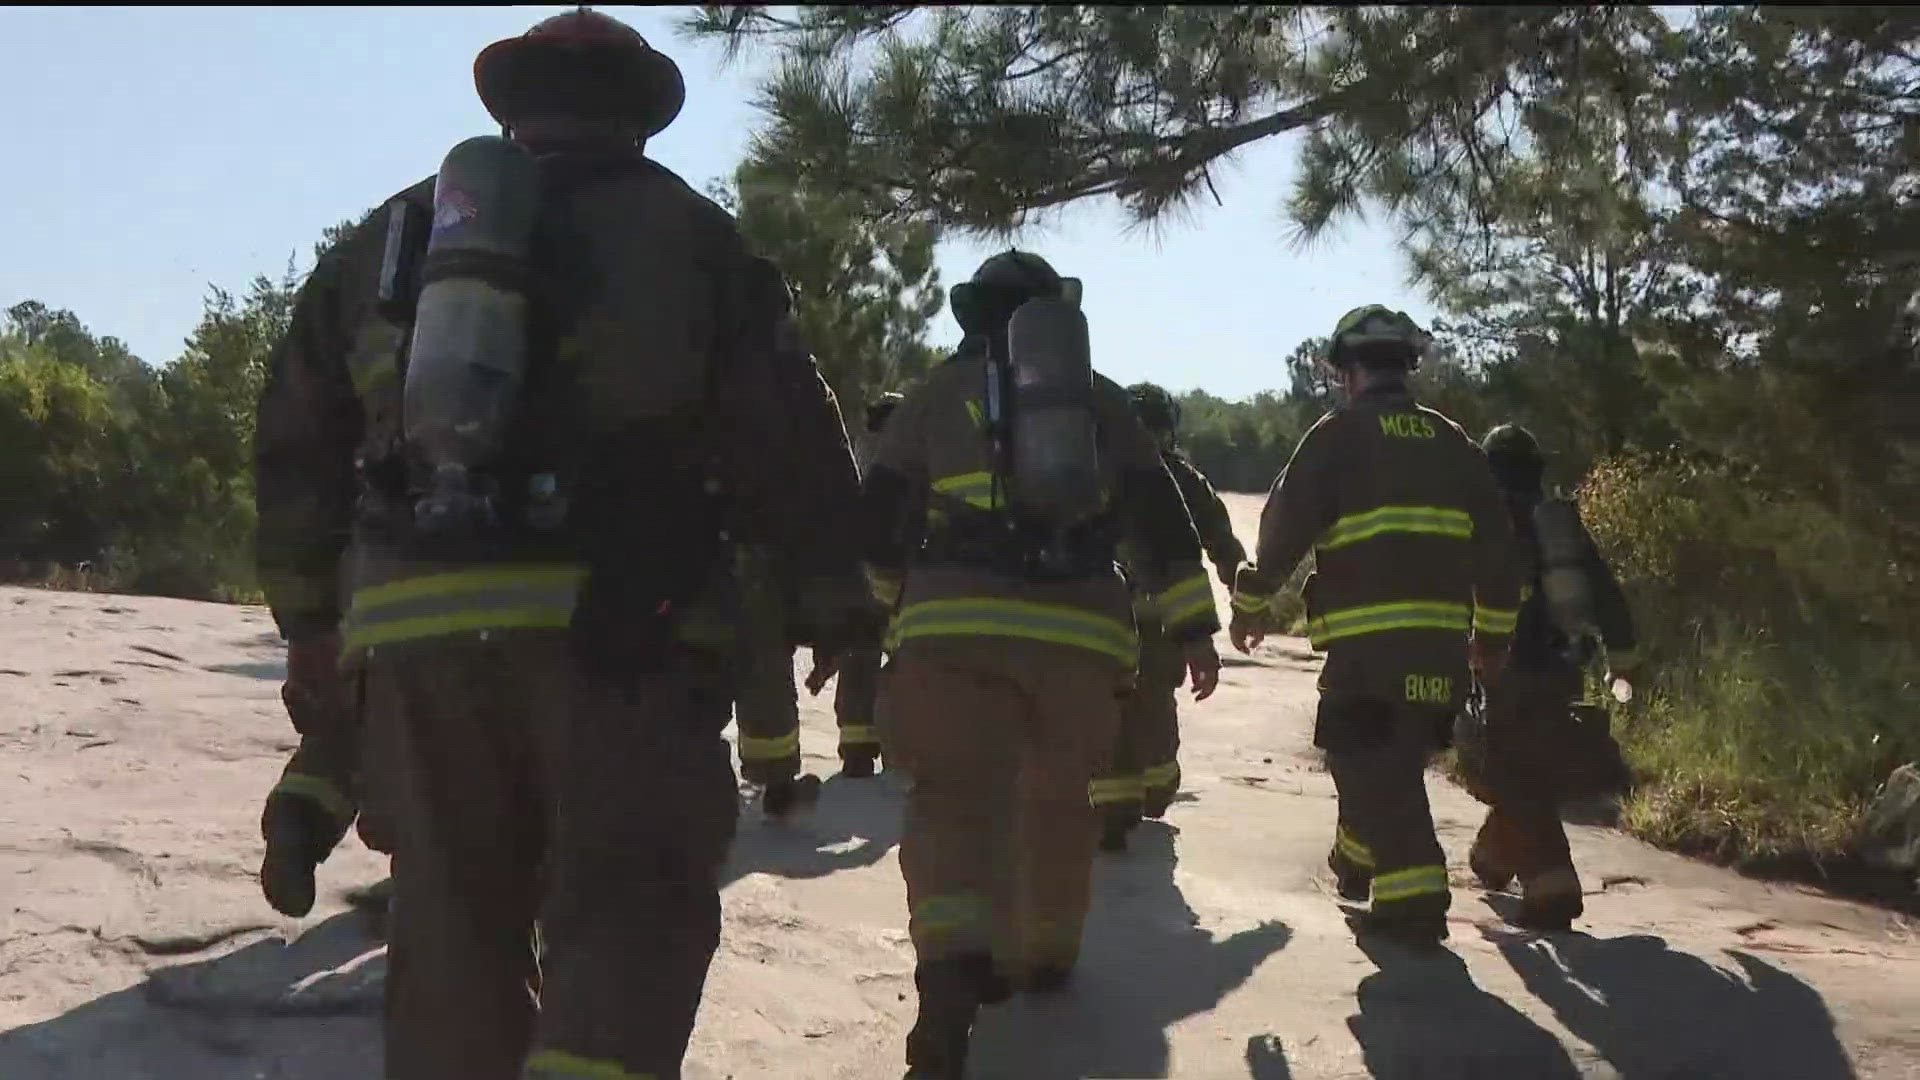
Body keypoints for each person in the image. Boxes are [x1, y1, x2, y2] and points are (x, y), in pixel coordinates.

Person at [251, 9, 870, 1077]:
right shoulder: (691, 235)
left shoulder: (391, 238)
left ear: (513, 109)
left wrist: (311, 623)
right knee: (629, 913)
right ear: (639, 116)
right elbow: (786, 431)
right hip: (626, 631)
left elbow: (295, 437)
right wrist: (835, 595)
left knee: (449, 925)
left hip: (416, 633)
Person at [855, 251, 1221, 1076]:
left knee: (953, 802)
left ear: (971, 313)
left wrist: (875, 612)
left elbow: (880, 522)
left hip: (953, 631)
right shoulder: (1099, 401)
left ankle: (951, 967)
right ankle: (1046, 955)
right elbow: (1161, 521)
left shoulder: (933, 396)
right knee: (1057, 802)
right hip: (1081, 638)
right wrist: (1195, 628)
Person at [1229, 304, 1521, 950]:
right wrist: (1492, 640)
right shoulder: (1453, 442)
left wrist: (1251, 602)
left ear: (1346, 371)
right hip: (1441, 651)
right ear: (1406, 366)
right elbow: (1501, 551)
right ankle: (1358, 862)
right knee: (1391, 763)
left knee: (1362, 758)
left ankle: (1414, 898)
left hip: (1367, 651)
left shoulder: (1336, 438)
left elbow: (1283, 529)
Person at [1468, 423, 1638, 931]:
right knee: (1529, 765)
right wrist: (1624, 662)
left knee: (1511, 771)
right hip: (1562, 668)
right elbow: (1608, 597)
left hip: (1502, 667)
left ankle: (1551, 885)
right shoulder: (1559, 525)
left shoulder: (1483, 521)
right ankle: (1492, 857)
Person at [1093, 383, 1246, 851]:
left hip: (1108, 623)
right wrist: (1245, 601)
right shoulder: (1182, 479)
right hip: (1161, 625)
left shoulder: (1099, 470)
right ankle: (1138, 795)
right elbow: (1222, 545)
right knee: (1151, 707)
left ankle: (1116, 805)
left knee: (1112, 709)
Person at [827, 392, 906, 777]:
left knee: (858, 657)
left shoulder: (863, 450)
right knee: (902, 662)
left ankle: (857, 751)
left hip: (861, 573)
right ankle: (898, 750)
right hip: (898, 575)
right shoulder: (911, 453)